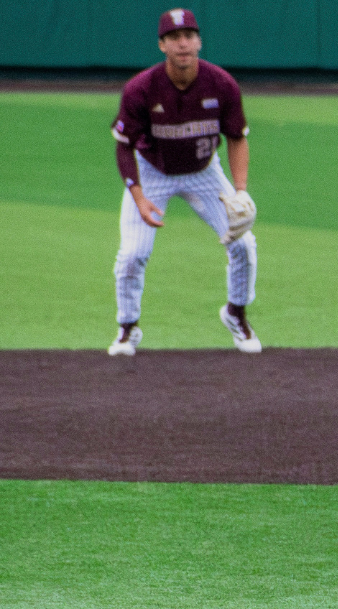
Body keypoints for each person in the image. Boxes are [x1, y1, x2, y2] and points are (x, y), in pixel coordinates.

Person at [107, 8, 261, 356]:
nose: (183, 44)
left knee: (244, 244)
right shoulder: (141, 89)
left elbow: (237, 137)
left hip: (204, 171)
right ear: (162, 45)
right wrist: (138, 195)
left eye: (189, 36)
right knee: (133, 254)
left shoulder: (221, 84)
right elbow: (123, 147)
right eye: (174, 38)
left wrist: (240, 190)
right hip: (152, 173)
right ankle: (127, 328)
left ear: (199, 42)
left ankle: (236, 313)